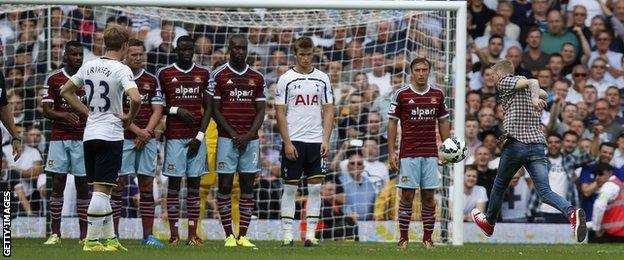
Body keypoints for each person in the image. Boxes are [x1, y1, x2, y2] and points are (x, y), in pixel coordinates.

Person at [471, 59, 587, 243]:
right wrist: (537, 95)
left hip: (516, 143)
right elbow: (542, 91)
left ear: (501, 73)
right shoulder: (523, 86)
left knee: (500, 185)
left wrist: (534, 98)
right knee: (544, 191)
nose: (493, 78)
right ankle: (572, 213)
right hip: (538, 146)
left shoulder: (506, 81)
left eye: (494, 74)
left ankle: (489, 223)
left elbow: (533, 82)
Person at [60, 25, 141, 251]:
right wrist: (128, 118)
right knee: (101, 190)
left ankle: (111, 239)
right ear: (124, 46)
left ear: (106, 43)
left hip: (90, 134)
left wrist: (87, 112)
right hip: (111, 134)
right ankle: (92, 240)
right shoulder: (121, 69)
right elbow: (136, 98)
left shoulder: (89, 65)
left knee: (103, 190)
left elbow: (65, 91)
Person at [276, 36, 334, 247]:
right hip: (294, 141)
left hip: (315, 141)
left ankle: (310, 234)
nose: (306, 58)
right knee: (290, 189)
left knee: (316, 189)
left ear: (313, 54)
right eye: (302, 54)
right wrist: (287, 142)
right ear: (296, 54)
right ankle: (287, 235)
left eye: (309, 54)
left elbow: (329, 111)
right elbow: (280, 114)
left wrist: (325, 139)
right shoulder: (286, 79)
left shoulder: (323, 78)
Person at [388, 57, 450, 249]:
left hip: (431, 153)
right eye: (417, 70)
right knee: (407, 195)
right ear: (411, 72)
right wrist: (391, 151)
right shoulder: (401, 95)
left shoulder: (438, 94)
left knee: (429, 197)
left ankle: (427, 239)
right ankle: (403, 238)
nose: (421, 73)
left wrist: (446, 148)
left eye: (424, 70)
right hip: (408, 154)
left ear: (429, 71)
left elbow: (443, 121)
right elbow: (391, 123)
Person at [211, 34, 266, 248]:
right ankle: (228, 235)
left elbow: (261, 110)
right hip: (227, 139)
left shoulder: (257, 77)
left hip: (250, 141)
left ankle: (242, 235)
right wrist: (234, 135)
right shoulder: (219, 75)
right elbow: (215, 110)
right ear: (229, 49)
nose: (240, 52)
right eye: (236, 48)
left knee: (247, 187)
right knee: (224, 185)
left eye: (243, 48)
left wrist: (248, 134)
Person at [158, 35, 212, 247]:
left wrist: (200, 136)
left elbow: (209, 108)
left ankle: (192, 234)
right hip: (174, 137)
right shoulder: (164, 73)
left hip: (196, 138)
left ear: (194, 51)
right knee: (173, 186)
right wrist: (175, 110)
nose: (187, 53)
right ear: (176, 50)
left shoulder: (204, 73)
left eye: (190, 49)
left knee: (194, 187)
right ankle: (173, 234)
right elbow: (155, 106)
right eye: (183, 49)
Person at [110, 39, 164, 247]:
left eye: (140, 54)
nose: (137, 57)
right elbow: (117, 110)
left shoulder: (152, 79)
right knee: (119, 184)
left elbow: (157, 109)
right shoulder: (118, 77)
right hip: (123, 138)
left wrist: (147, 132)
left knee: (147, 185)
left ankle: (147, 236)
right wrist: (138, 132)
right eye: (133, 54)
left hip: (147, 139)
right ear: (126, 55)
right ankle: (113, 235)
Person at [41, 40, 90, 245]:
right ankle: (55, 234)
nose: (77, 58)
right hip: (59, 138)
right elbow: (46, 110)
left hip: (83, 138)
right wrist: (64, 116)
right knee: (58, 183)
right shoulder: (54, 79)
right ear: (65, 55)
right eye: (73, 54)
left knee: (83, 185)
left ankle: (84, 236)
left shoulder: (89, 78)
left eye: (80, 54)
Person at [589, 163, 624, 243]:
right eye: (595, 175)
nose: (597, 177)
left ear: (610, 173)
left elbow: (599, 206)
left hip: (612, 234)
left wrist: (596, 228)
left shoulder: (608, 186)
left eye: (600, 174)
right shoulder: (619, 184)